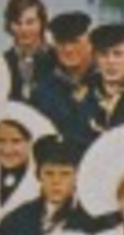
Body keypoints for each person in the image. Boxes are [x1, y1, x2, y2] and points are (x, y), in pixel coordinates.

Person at [0, 134, 93, 235]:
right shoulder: (16, 220)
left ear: (77, 177)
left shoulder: (94, 223)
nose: (56, 182)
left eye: (65, 174)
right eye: (49, 173)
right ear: (38, 175)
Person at [30, 11, 96, 151]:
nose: (68, 49)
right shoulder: (42, 92)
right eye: (61, 42)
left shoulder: (107, 84)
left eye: (74, 41)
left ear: (90, 43)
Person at [84, 22, 124, 138]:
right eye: (103, 54)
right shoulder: (84, 94)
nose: (111, 61)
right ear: (94, 57)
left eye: (118, 54)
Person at [3, 0, 55, 103]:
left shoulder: (57, 59)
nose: (24, 29)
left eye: (30, 22)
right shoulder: (2, 63)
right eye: (17, 23)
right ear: (9, 25)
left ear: (42, 23)